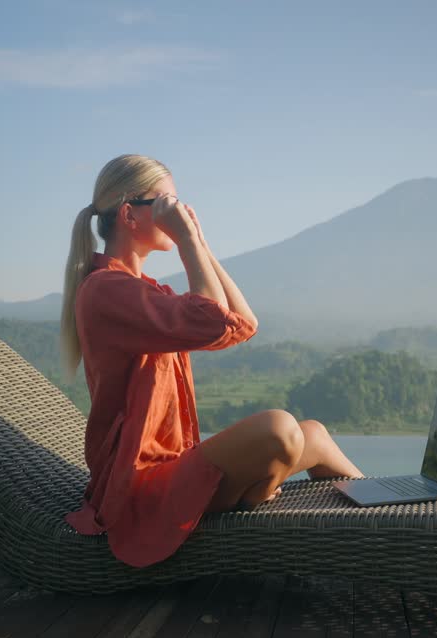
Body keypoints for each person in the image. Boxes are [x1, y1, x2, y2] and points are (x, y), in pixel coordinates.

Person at [59, 154, 363, 568]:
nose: (180, 212)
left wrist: (199, 244)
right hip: (142, 490)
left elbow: (241, 325)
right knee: (279, 429)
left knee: (315, 434)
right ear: (130, 215)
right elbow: (209, 321)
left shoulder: (142, 290)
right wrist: (186, 243)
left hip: (174, 471)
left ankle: (393, 513)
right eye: (168, 203)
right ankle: (256, 489)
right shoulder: (106, 291)